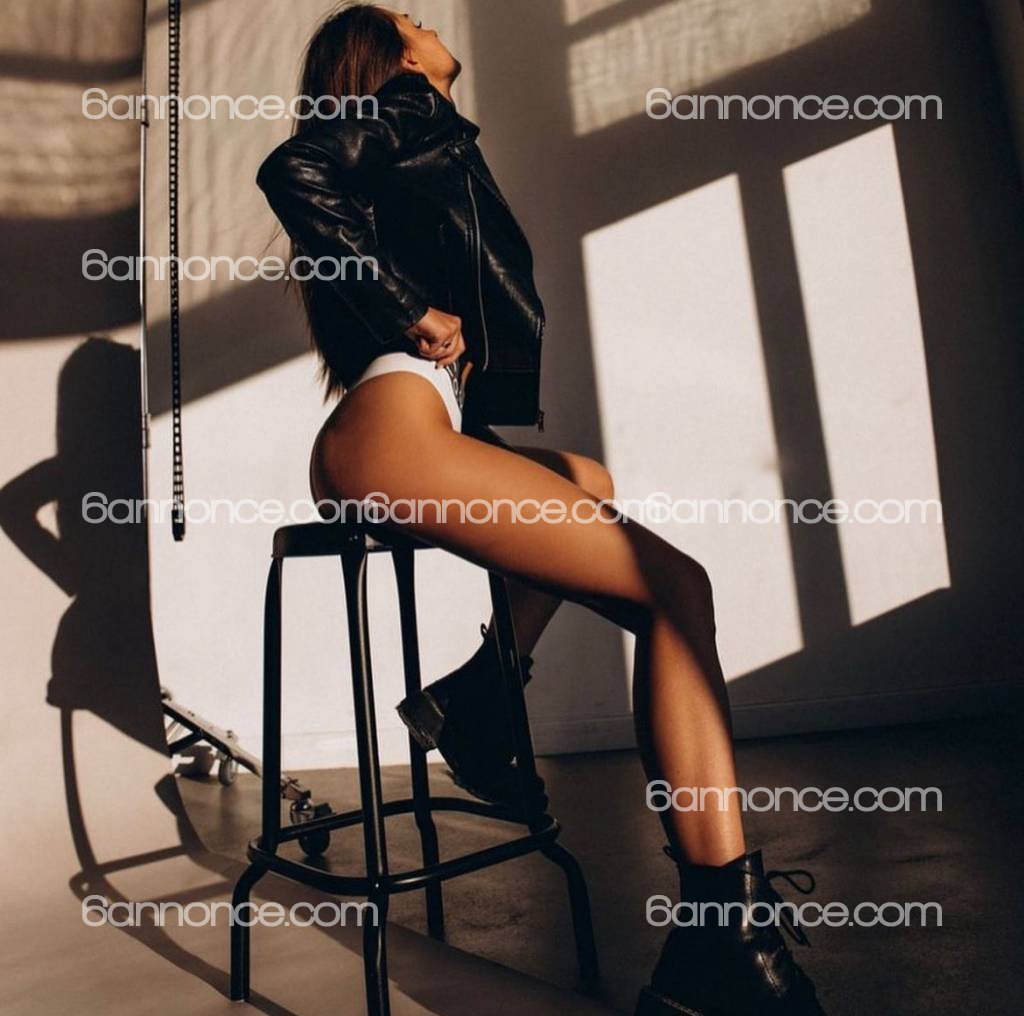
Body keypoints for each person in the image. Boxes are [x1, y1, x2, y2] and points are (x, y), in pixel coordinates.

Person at [256, 5, 826, 1013]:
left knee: (586, 479)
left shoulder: (417, 139)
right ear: (390, 57)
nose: (428, 19)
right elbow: (289, 170)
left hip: (405, 426)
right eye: (409, 18)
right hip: (390, 431)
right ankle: (725, 938)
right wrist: (408, 309)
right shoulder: (407, 105)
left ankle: (481, 696)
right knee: (675, 590)